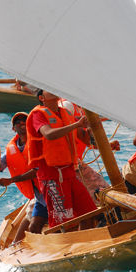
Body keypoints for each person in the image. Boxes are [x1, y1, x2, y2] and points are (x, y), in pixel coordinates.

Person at [26, 90, 97, 229]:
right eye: (47, 89)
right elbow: (49, 134)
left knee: (89, 213)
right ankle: (68, 248)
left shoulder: (66, 113)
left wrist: (104, 143)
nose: (52, 89)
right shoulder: (38, 114)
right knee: (63, 222)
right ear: (42, 98)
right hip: (51, 175)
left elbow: (83, 136)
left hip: (69, 172)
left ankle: (84, 242)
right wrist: (76, 125)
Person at [0, 112, 47, 241]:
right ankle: (14, 247)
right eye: (18, 122)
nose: (21, 123)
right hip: (38, 195)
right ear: (13, 128)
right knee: (31, 222)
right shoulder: (12, 147)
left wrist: (11, 180)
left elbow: (37, 171)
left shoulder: (38, 142)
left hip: (50, 190)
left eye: (24, 121)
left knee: (34, 222)